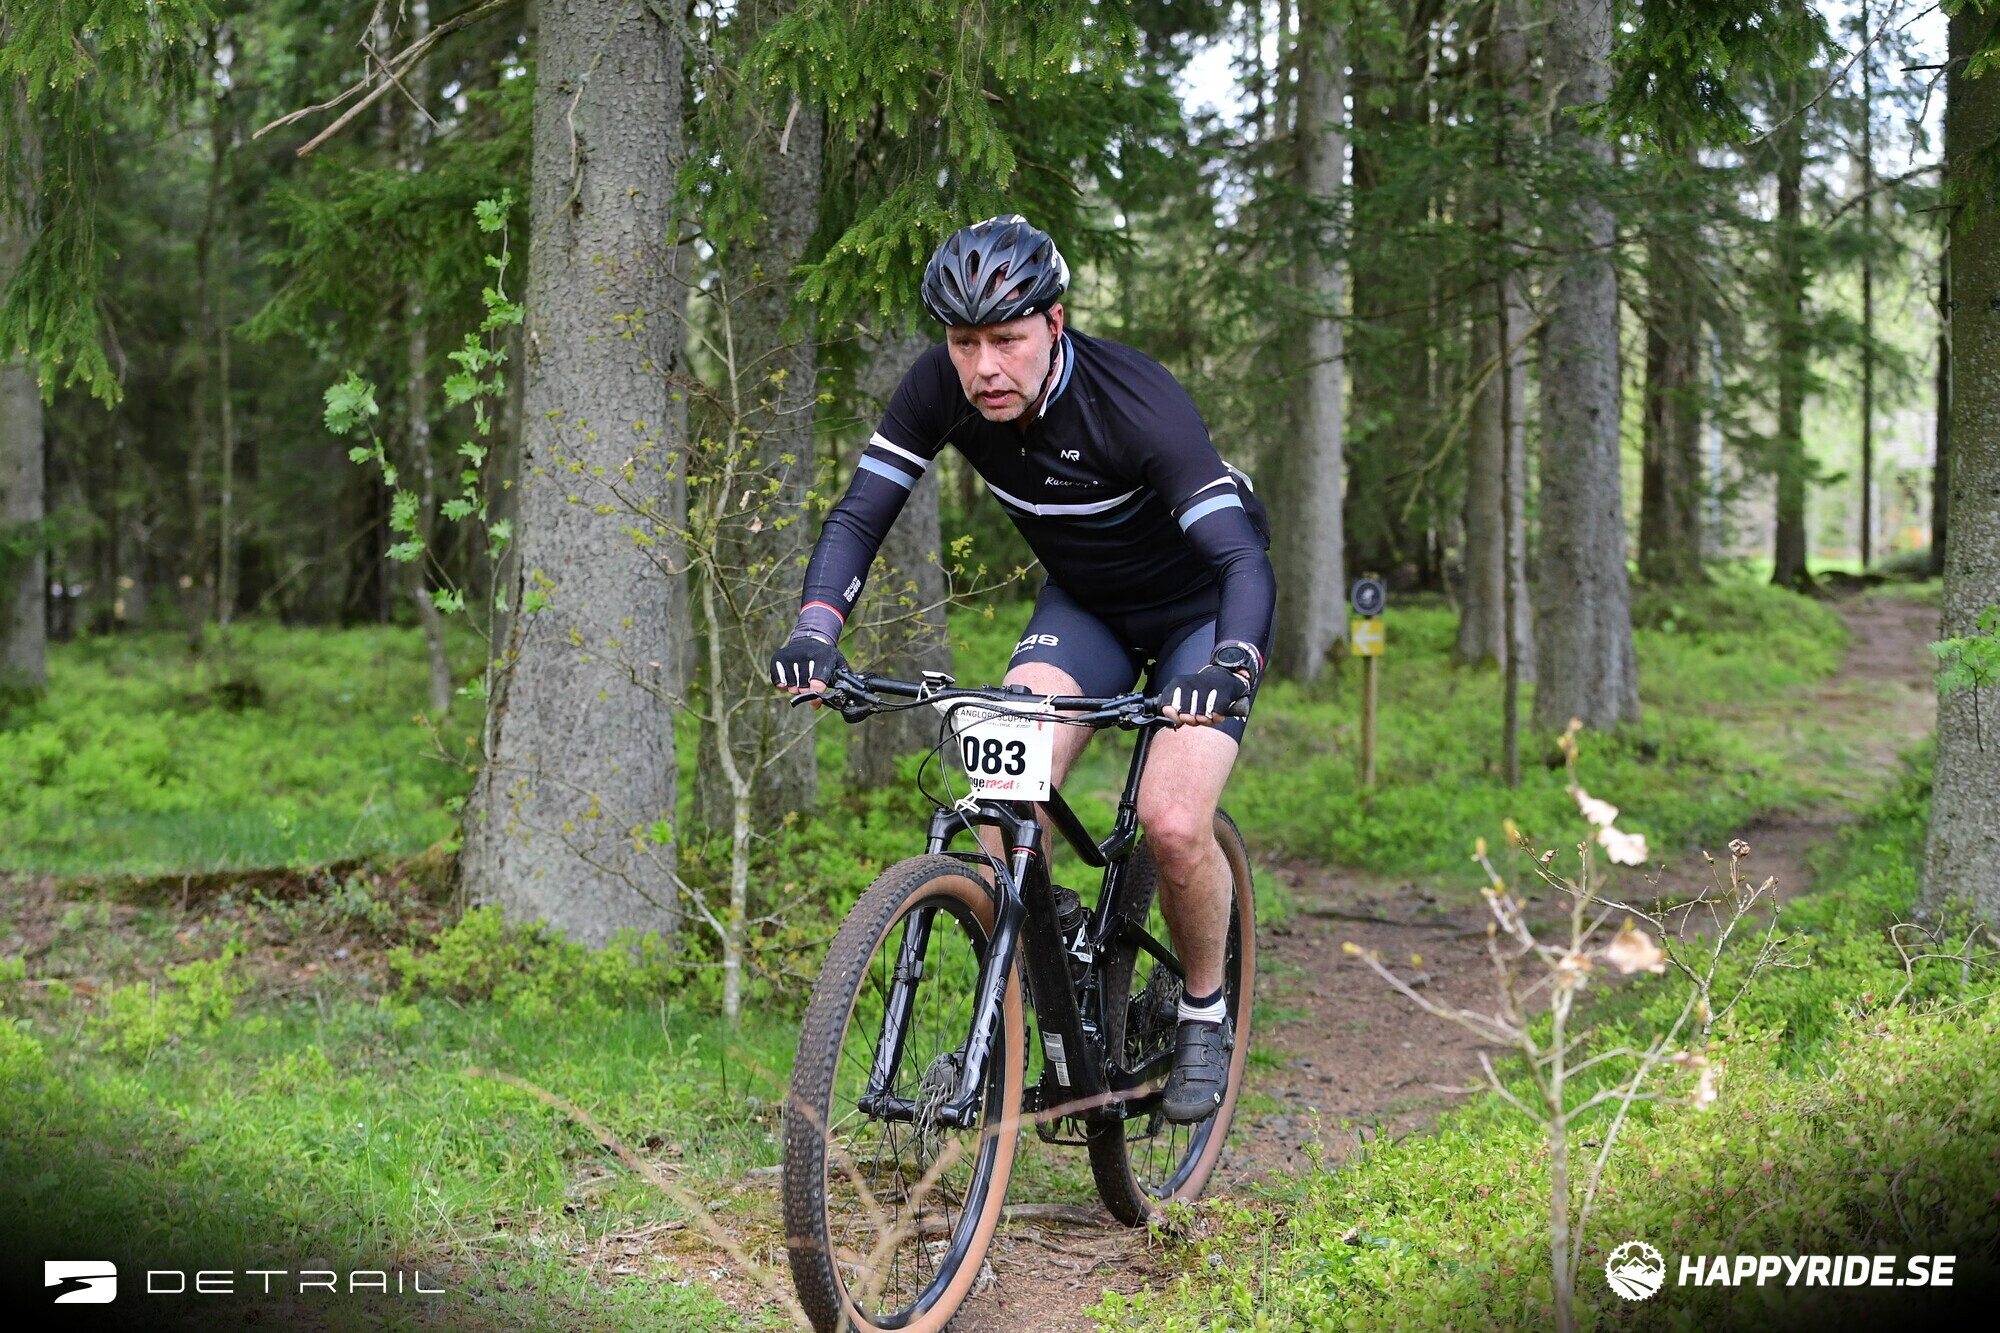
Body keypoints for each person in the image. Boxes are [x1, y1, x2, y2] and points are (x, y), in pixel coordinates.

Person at [770, 215, 1276, 1124]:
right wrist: (815, 628)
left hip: (1201, 608)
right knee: (999, 799)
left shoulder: (1134, 401)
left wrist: (1232, 659)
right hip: (1087, 608)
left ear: (1055, 323)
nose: (985, 367)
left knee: (1170, 820)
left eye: (1007, 339)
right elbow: (860, 515)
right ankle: (1055, 947)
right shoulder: (940, 387)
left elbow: (1241, 558)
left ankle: (1203, 1006)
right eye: (965, 343)